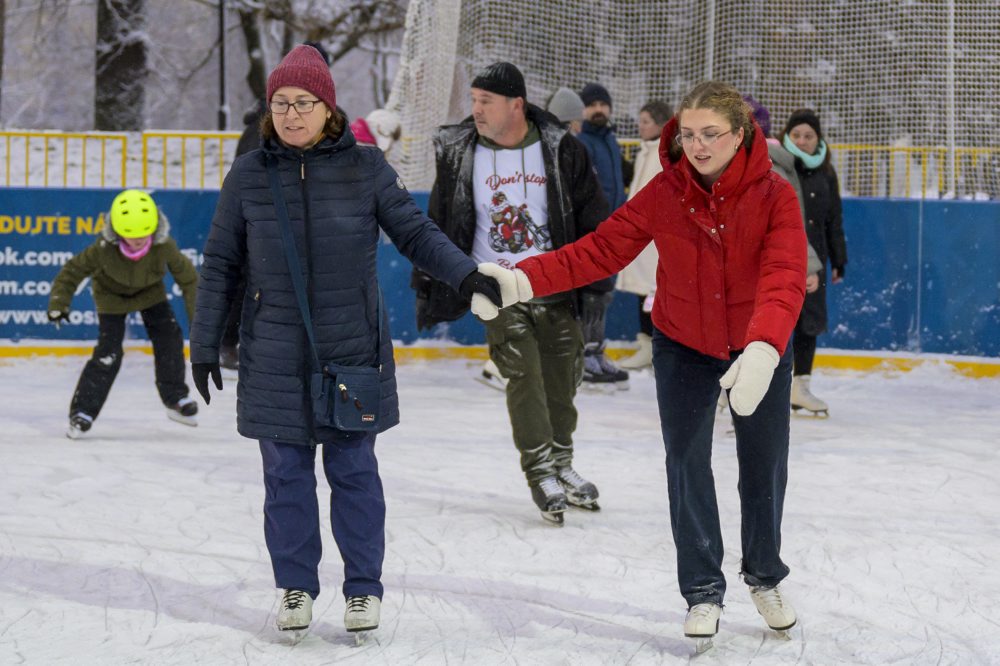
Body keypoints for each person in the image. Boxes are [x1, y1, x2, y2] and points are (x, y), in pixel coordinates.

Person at [188, 44, 503, 637]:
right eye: (280, 103)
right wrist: (204, 342)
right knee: (284, 476)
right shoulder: (250, 173)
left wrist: (466, 272)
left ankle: (362, 588)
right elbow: (221, 261)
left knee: (354, 470)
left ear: (328, 108)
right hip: (274, 352)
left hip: (350, 350)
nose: (291, 114)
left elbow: (415, 232)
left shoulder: (365, 168)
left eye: (303, 102)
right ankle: (295, 588)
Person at [480, 81, 807, 642]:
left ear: (741, 135)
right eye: (689, 133)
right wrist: (522, 278)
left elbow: (783, 278)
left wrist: (764, 347)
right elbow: (601, 249)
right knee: (686, 463)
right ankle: (702, 591)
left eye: (711, 134)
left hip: (759, 346)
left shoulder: (776, 195)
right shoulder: (666, 192)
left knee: (764, 463)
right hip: (684, 344)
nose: (698, 145)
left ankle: (764, 574)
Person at [410, 61, 612, 525]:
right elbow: (441, 219)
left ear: (515, 105)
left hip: (552, 281)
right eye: (474, 101)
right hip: (495, 285)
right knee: (523, 374)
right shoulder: (460, 152)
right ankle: (540, 469)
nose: (476, 110)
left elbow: (591, 216)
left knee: (563, 379)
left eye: (486, 102)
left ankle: (561, 462)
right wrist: (434, 279)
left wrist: (595, 279)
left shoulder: (562, 149)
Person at [220, 41, 336, 372]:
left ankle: (232, 343)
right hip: (264, 214)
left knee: (250, 279)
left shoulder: (272, 117)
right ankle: (230, 343)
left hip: (261, 213)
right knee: (252, 279)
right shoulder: (275, 123)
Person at [47, 189, 199, 438]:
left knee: (170, 338)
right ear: (117, 231)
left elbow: (189, 280)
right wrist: (58, 304)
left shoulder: (164, 247)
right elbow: (71, 272)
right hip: (111, 297)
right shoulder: (103, 249)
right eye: (131, 236)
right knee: (109, 353)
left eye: (143, 236)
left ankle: (176, 398)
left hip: (151, 293)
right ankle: (82, 412)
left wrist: (199, 320)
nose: (138, 241)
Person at [479, 85, 588, 392]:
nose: (578, 129)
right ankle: (503, 365)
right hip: (534, 249)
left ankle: (504, 365)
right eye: (575, 123)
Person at [781, 108, 848, 416]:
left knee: (809, 322)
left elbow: (833, 218)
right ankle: (767, 386)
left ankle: (800, 386)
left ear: (818, 139)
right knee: (777, 320)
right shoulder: (779, 166)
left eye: (808, 136)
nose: (802, 141)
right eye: (797, 135)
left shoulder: (826, 171)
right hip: (781, 254)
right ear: (787, 136)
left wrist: (838, 259)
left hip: (816, 258)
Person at [576, 82, 629, 388]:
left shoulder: (610, 140)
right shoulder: (581, 142)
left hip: (612, 233)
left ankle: (596, 351)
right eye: (592, 104)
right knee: (591, 296)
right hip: (590, 233)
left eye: (602, 104)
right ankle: (584, 356)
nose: (598, 109)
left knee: (602, 294)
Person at [616, 100, 673, 370]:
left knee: (655, 289)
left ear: (662, 125)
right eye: (640, 120)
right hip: (641, 233)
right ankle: (646, 344)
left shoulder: (670, 153)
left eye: (646, 121)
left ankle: (658, 345)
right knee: (644, 289)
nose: (640, 126)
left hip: (658, 236)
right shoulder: (643, 151)